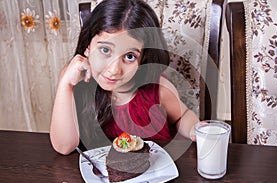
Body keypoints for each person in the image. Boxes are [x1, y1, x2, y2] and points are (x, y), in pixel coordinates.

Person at [50, 0, 200, 155]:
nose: (114, 70)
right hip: (101, 176)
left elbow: (182, 116)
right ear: (88, 46)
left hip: (156, 172)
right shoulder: (72, 82)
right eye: (105, 50)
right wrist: (65, 85)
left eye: (129, 56)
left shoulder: (159, 90)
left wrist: (194, 129)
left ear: (143, 59)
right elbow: (64, 147)